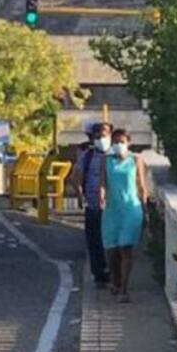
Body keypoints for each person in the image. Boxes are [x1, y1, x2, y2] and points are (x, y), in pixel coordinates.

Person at [101, 128, 148, 303]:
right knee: (112, 250)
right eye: (115, 142)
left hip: (131, 208)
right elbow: (103, 183)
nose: (118, 145)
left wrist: (145, 210)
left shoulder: (136, 160)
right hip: (112, 210)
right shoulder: (105, 161)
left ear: (128, 143)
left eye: (121, 141)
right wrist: (101, 195)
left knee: (126, 248)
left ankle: (124, 289)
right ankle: (115, 281)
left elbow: (142, 187)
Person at [70, 121, 112, 288]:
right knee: (94, 241)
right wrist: (80, 196)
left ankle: (113, 273)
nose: (101, 139)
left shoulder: (116, 156)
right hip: (93, 205)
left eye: (104, 136)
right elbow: (75, 177)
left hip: (113, 206)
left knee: (112, 242)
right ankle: (99, 275)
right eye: (97, 137)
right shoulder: (87, 156)